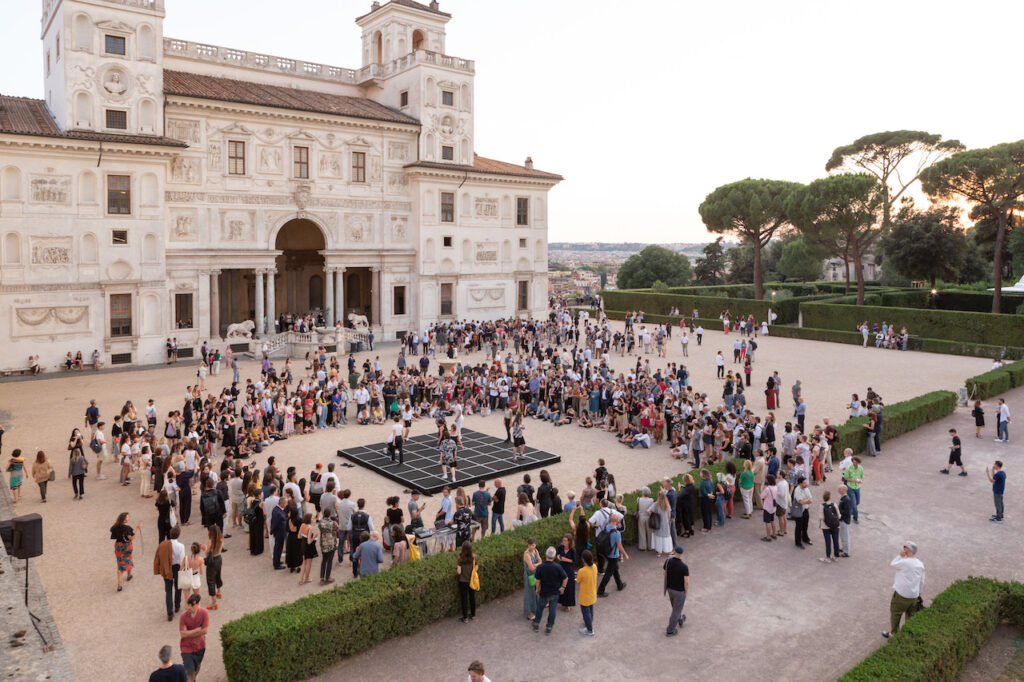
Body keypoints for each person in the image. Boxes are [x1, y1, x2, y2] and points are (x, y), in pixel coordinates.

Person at [882, 542, 925, 639]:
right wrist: (919, 593)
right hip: (914, 595)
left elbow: (892, 564)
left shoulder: (905, 562)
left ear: (908, 550)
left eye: (904, 547)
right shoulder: (920, 564)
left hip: (902, 594)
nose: (903, 549)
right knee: (910, 615)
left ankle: (894, 634)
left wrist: (900, 556)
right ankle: (908, 635)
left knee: (896, 613)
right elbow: (922, 581)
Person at [532, 546, 568, 634]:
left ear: (545, 555)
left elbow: (537, 580)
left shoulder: (541, 567)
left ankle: (536, 624)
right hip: (555, 592)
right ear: (555, 556)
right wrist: (563, 587)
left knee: (540, 608)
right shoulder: (558, 567)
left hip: (544, 592)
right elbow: (566, 578)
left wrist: (537, 589)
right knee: (552, 610)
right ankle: (549, 627)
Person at [153, 526, 185, 621]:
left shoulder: (163, 544)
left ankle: (169, 613)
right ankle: (177, 605)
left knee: (168, 590)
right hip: (177, 567)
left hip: (167, 567)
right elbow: (182, 559)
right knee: (178, 587)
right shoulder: (180, 546)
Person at [597, 511, 628, 596]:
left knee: (615, 569)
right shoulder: (616, 533)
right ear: (617, 521)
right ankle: (600, 590)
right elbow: (620, 546)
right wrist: (625, 554)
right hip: (613, 555)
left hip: (606, 553)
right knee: (608, 573)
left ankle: (619, 585)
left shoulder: (606, 527)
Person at [179, 594, 209, 682]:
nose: (188, 608)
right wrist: (197, 630)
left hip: (200, 646)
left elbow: (205, 631)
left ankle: (192, 679)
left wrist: (188, 633)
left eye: (191, 606)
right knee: (190, 671)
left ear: (197, 605)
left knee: (197, 667)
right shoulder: (183, 616)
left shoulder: (204, 613)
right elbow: (182, 634)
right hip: (186, 647)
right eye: (188, 605)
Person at [663, 545, 690, 637]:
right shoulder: (684, 567)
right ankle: (670, 630)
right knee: (676, 610)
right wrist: (685, 592)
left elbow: (664, 573)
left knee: (675, 608)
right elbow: (686, 582)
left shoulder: (668, 561)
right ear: (682, 554)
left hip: (670, 589)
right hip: (679, 591)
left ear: (674, 552)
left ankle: (680, 619)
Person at [110, 512, 139, 591]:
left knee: (120, 563)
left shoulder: (115, 527)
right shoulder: (127, 528)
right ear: (124, 519)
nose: (128, 518)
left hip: (118, 546)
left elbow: (114, 535)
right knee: (129, 558)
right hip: (127, 546)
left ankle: (119, 584)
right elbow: (131, 538)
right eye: (127, 517)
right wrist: (137, 529)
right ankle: (129, 575)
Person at [577, 549, 597, 636]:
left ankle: (589, 629)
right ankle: (589, 623)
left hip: (585, 596)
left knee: (585, 612)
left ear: (583, 559)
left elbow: (578, 580)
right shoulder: (595, 567)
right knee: (590, 610)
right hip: (592, 593)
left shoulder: (582, 571)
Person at [456, 541, 477, 623]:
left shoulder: (460, 559)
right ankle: (473, 614)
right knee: (472, 597)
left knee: (464, 599)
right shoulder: (474, 557)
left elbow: (459, 572)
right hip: (472, 580)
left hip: (463, 581)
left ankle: (465, 618)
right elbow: (476, 569)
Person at [819, 490, 840, 563]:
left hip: (825, 526)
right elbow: (839, 515)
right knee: (836, 540)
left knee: (828, 541)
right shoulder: (834, 504)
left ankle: (828, 557)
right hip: (835, 525)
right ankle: (836, 556)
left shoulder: (822, 506)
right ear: (830, 497)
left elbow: (821, 517)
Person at [522, 538, 541, 621]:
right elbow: (531, 568)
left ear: (535, 545)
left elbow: (540, 560)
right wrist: (538, 564)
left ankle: (535, 609)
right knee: (529, 593)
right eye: (530, 545)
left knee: (536, 591)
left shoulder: (536, 551)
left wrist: (536, 564)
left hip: (536, 575)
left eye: (533, 545)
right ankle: (529, 613)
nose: (532, 547)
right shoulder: (526, 555)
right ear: (528, 545)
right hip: (529, 576)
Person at [843, 454, 863, 524]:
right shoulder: (849, 468)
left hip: (857, 487)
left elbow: (862, 476)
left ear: (858, 462)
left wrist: (861, 480)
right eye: (853, 462)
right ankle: (855, 517)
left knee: (857, 502)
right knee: (854, 504)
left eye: (856, 462)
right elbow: (845, 477)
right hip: (850, 487)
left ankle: (850, 510)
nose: (854, 463)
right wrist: (851, 480)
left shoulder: (860, 468)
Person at [792, 477, 812, 549]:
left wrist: (805, 501)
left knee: (805, 525)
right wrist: (807, 501)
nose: (806, 484)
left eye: (805, 482)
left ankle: (805, 538)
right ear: (800, 484)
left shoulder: (806, 488)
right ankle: (798, 542)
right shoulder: (797, 490)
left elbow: (810, 499)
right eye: (804, 483)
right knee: (799, 527)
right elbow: (800, 502)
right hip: (799, 510)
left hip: (805, 509)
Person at [837, 485, 852, 557]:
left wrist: (839, 512)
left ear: (844, 490)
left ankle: (846, 552)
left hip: (844, 521)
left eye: (839, 489)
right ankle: (844, 548)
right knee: (842, 535)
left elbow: (848, 512)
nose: (838, 490)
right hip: (842, 520)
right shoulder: (843, 498)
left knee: (845, 536)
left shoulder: (846, 499)